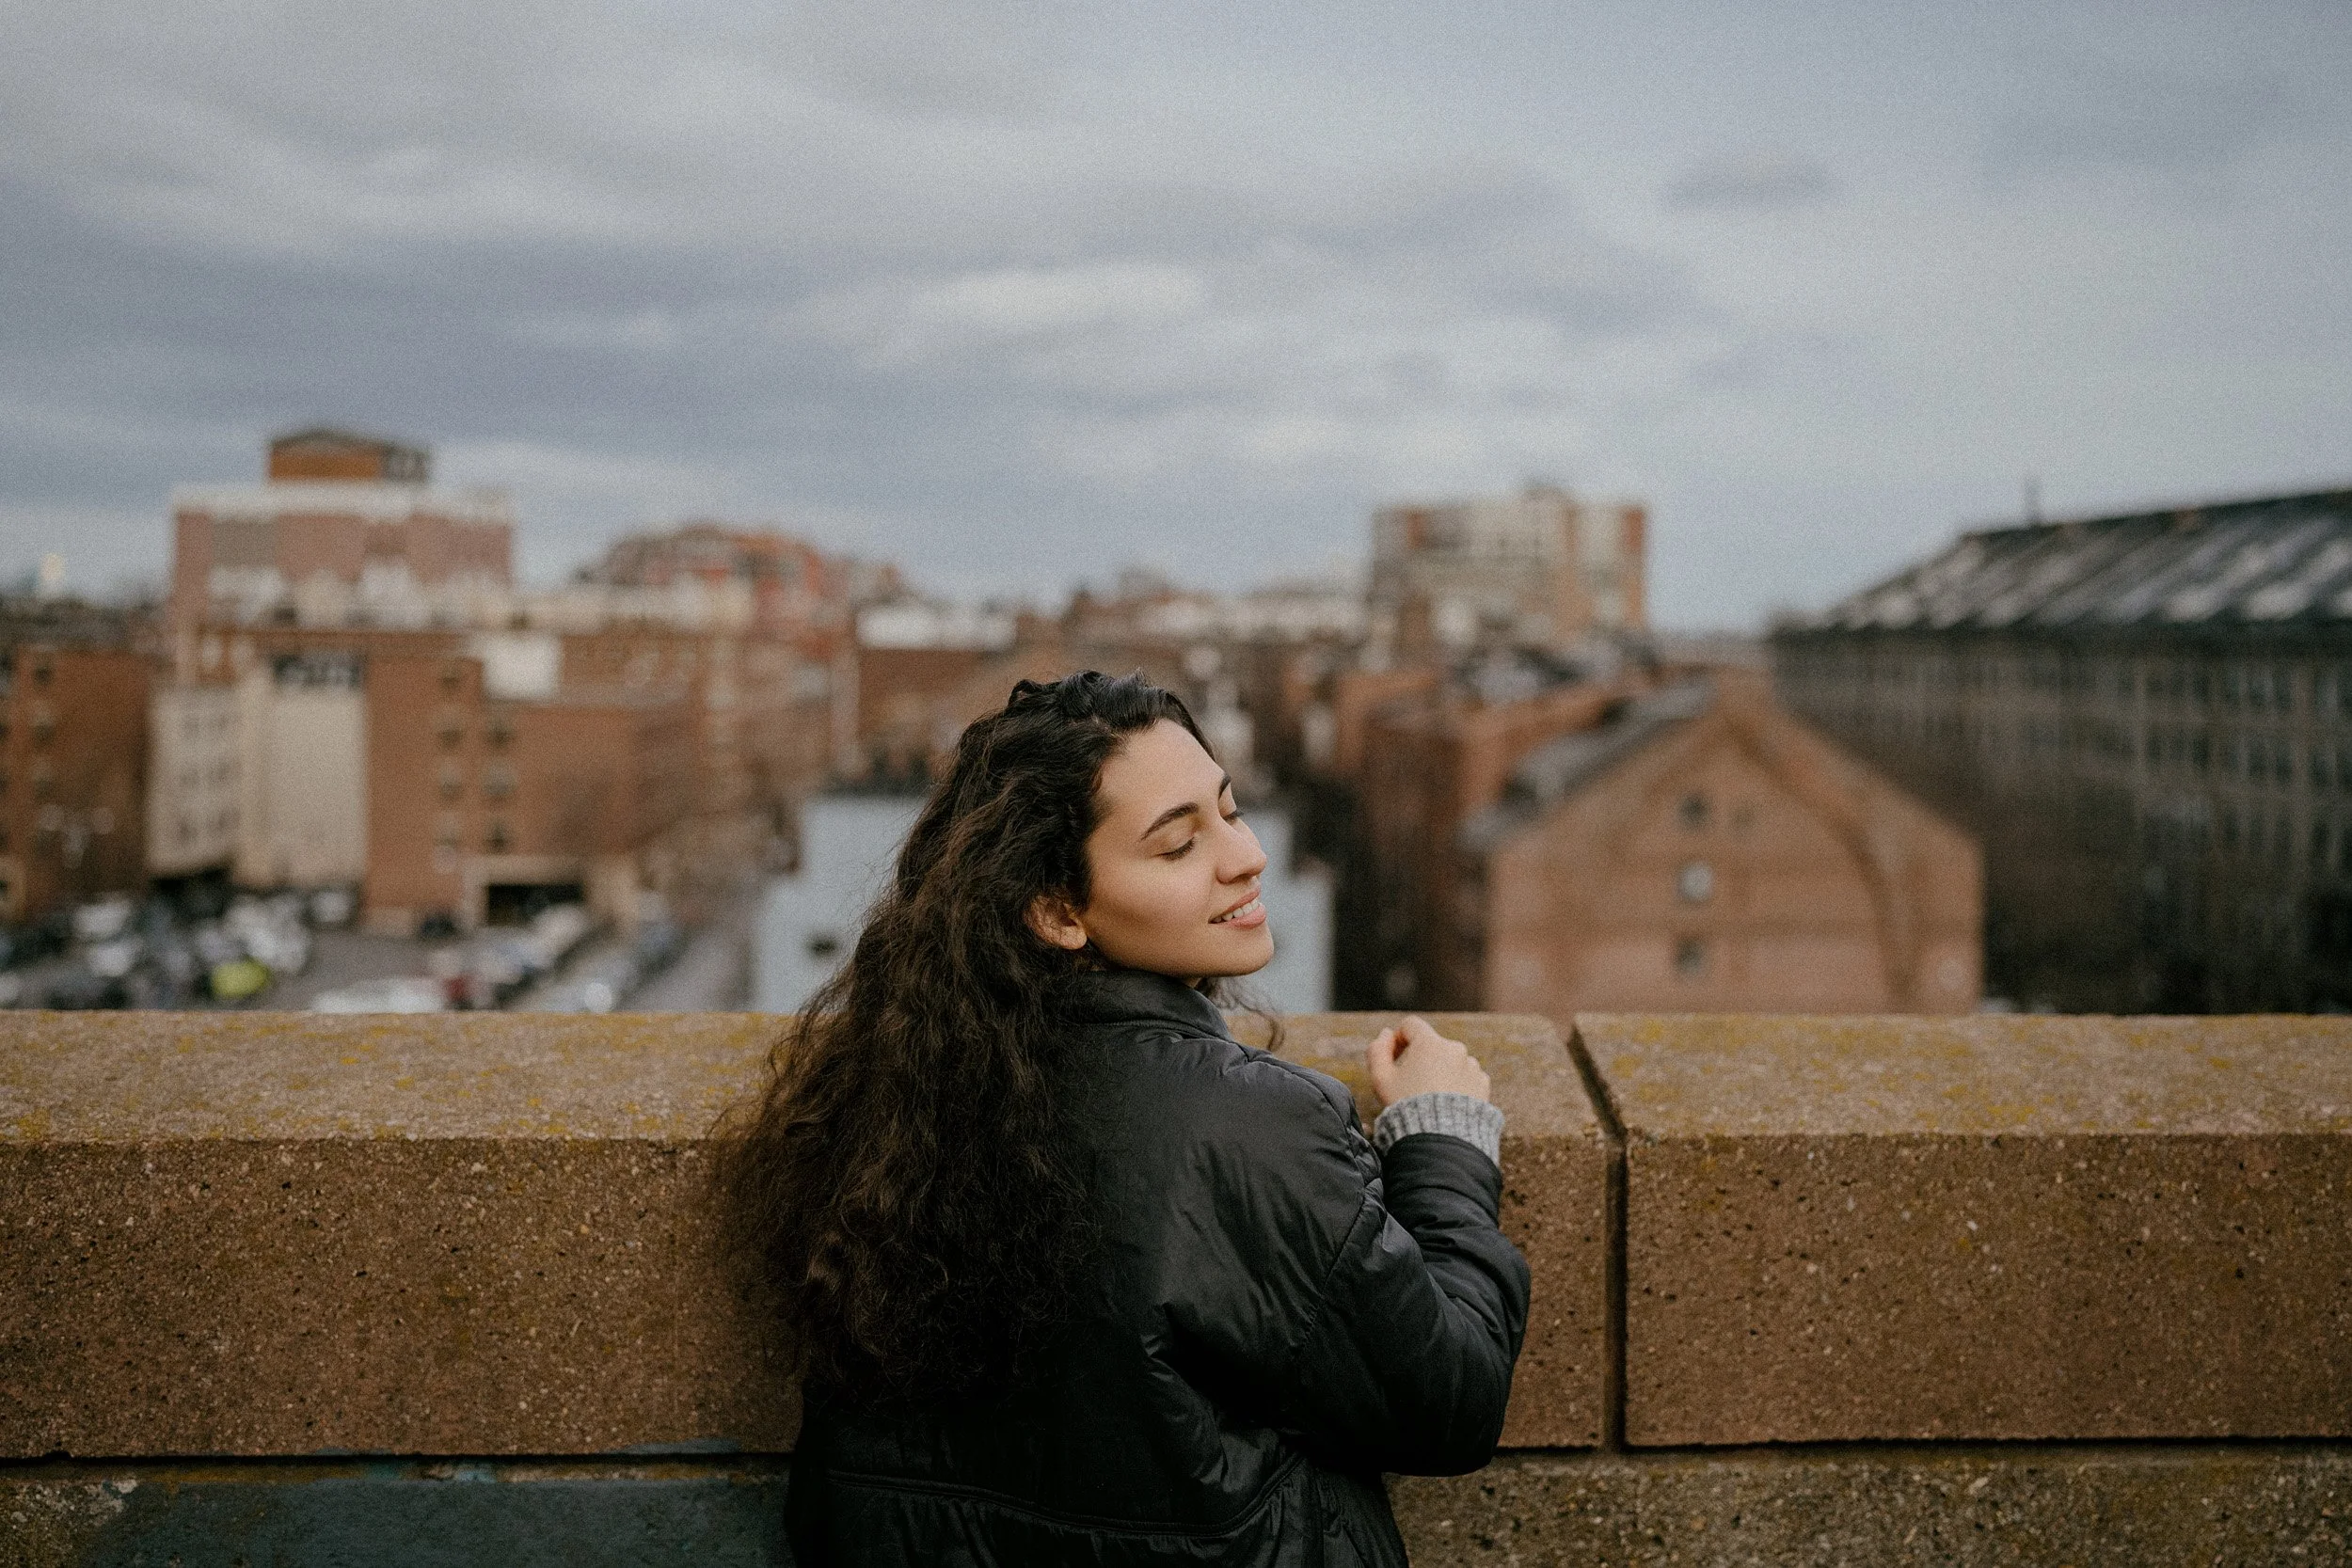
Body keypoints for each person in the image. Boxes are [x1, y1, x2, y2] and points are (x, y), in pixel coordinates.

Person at [719, 671, 1529, 1566]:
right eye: (1179, 845)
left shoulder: (883, 1093)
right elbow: (1449, 1400)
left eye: (1230, 809)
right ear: (1058, 910)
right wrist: (1443, 1140)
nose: (1246, 855)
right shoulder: (1243, 1125)